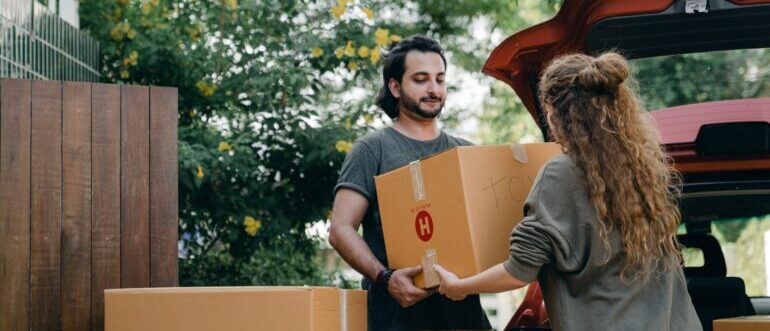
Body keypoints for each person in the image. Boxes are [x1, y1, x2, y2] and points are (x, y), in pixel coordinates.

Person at [432, 52, 702, 331]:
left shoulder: (560, 173)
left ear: (555, 111)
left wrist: (460, 286)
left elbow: (518, 272)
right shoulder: (643, 169)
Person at [328, 35, 492, 331]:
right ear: (395, 86)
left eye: (440, 80)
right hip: (396, 321)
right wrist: (386, 278)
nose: (433, 89)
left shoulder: (467, 152)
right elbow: (340, 230)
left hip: (466, 320)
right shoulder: (372, 149)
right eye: (421, 79)